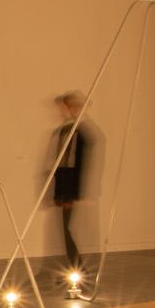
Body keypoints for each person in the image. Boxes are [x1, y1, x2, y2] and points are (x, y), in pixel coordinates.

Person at [49, 91, 95, 280]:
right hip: (64, 189)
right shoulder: (64, 131)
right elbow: (61, 164)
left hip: (70, 190)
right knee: (65, 230)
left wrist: (74, 194)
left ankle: (78, 270)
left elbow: (78, 165)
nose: (61, 111)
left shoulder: (80, 132)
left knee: (69, 229)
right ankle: (75, 268)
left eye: (65, 107)